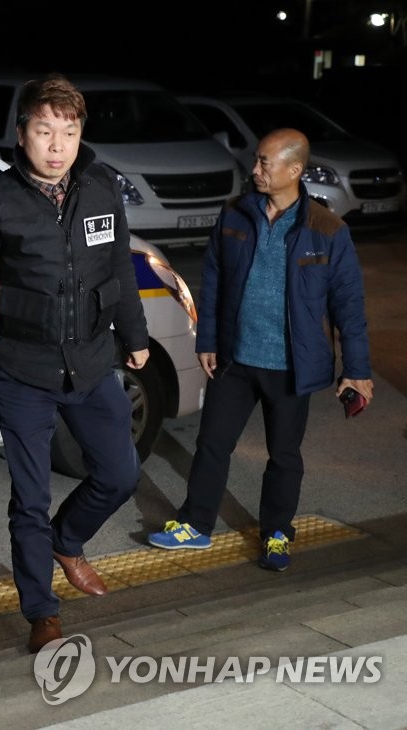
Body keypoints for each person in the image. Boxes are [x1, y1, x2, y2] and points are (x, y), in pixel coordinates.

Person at [0, 74, 150, 654]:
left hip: (92, 361)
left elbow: (118, 265)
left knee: (120, 474)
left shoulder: (101, 187)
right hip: (25, 369)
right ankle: (41, 610)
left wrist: (135, 335)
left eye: (68, 132)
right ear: (22, 133)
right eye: (44, 131)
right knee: (29, 499)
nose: (57, 145)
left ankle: (67, 541)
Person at [147, 127, 374, 571]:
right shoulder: (236, 214)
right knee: (212, 444)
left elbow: (348, 305)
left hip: (291, 366)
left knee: (284, 455)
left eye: (264, 163)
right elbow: (213, 279)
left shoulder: (327, 229)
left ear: (294, 169)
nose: (254, 170)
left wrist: (357, 369)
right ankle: (195, 524)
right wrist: (208, 340)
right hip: (235, 359)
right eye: (256, 160)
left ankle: (276, 532)